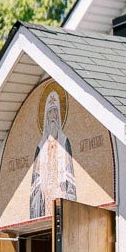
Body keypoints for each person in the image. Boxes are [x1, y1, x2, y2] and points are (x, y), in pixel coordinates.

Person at [29, 89, 77, 218]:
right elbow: (36, 184)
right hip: (46, 199)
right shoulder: (40, 147)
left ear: (59, 116)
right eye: (49, 112)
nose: (52, 116)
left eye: (55, 111)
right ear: (45, 117)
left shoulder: (64, 142)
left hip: (60, 195)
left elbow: (69, 176)